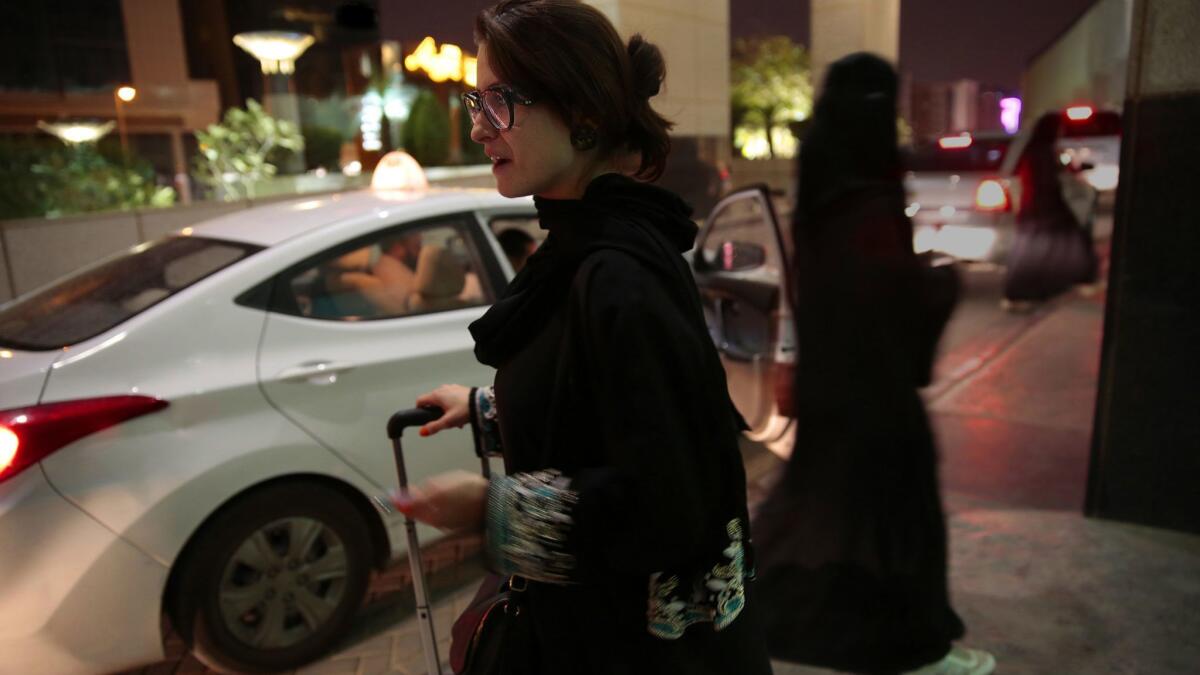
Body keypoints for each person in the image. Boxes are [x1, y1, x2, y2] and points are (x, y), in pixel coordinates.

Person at [394, 2, 772, 673]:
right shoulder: (585, 245)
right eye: (474, 102)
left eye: (500, 102)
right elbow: (605, 404)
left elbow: (665, 504)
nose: (479, 129)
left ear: (583, 113)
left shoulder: (618, 273)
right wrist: (488, 406)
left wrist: (492, 509)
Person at [749, 53, 996, 675]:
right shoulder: (872, 194)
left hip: (832, 384)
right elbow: (887, 294)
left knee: (829, 504)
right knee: (894, 513)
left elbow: (814, 288)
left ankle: (771, 614)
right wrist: (939, 281)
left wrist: (795, 362)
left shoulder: (824, 183)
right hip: (875, 388)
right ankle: (910, 650)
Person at [1002, 113, 1098, 306]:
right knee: (1057, 245)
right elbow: (1048, 181)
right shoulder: (1043, 151)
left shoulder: (1032, 148)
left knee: (1035, 249)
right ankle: (1031, 290)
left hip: (1035, 207)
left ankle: (1026, 291)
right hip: (1044, 207)